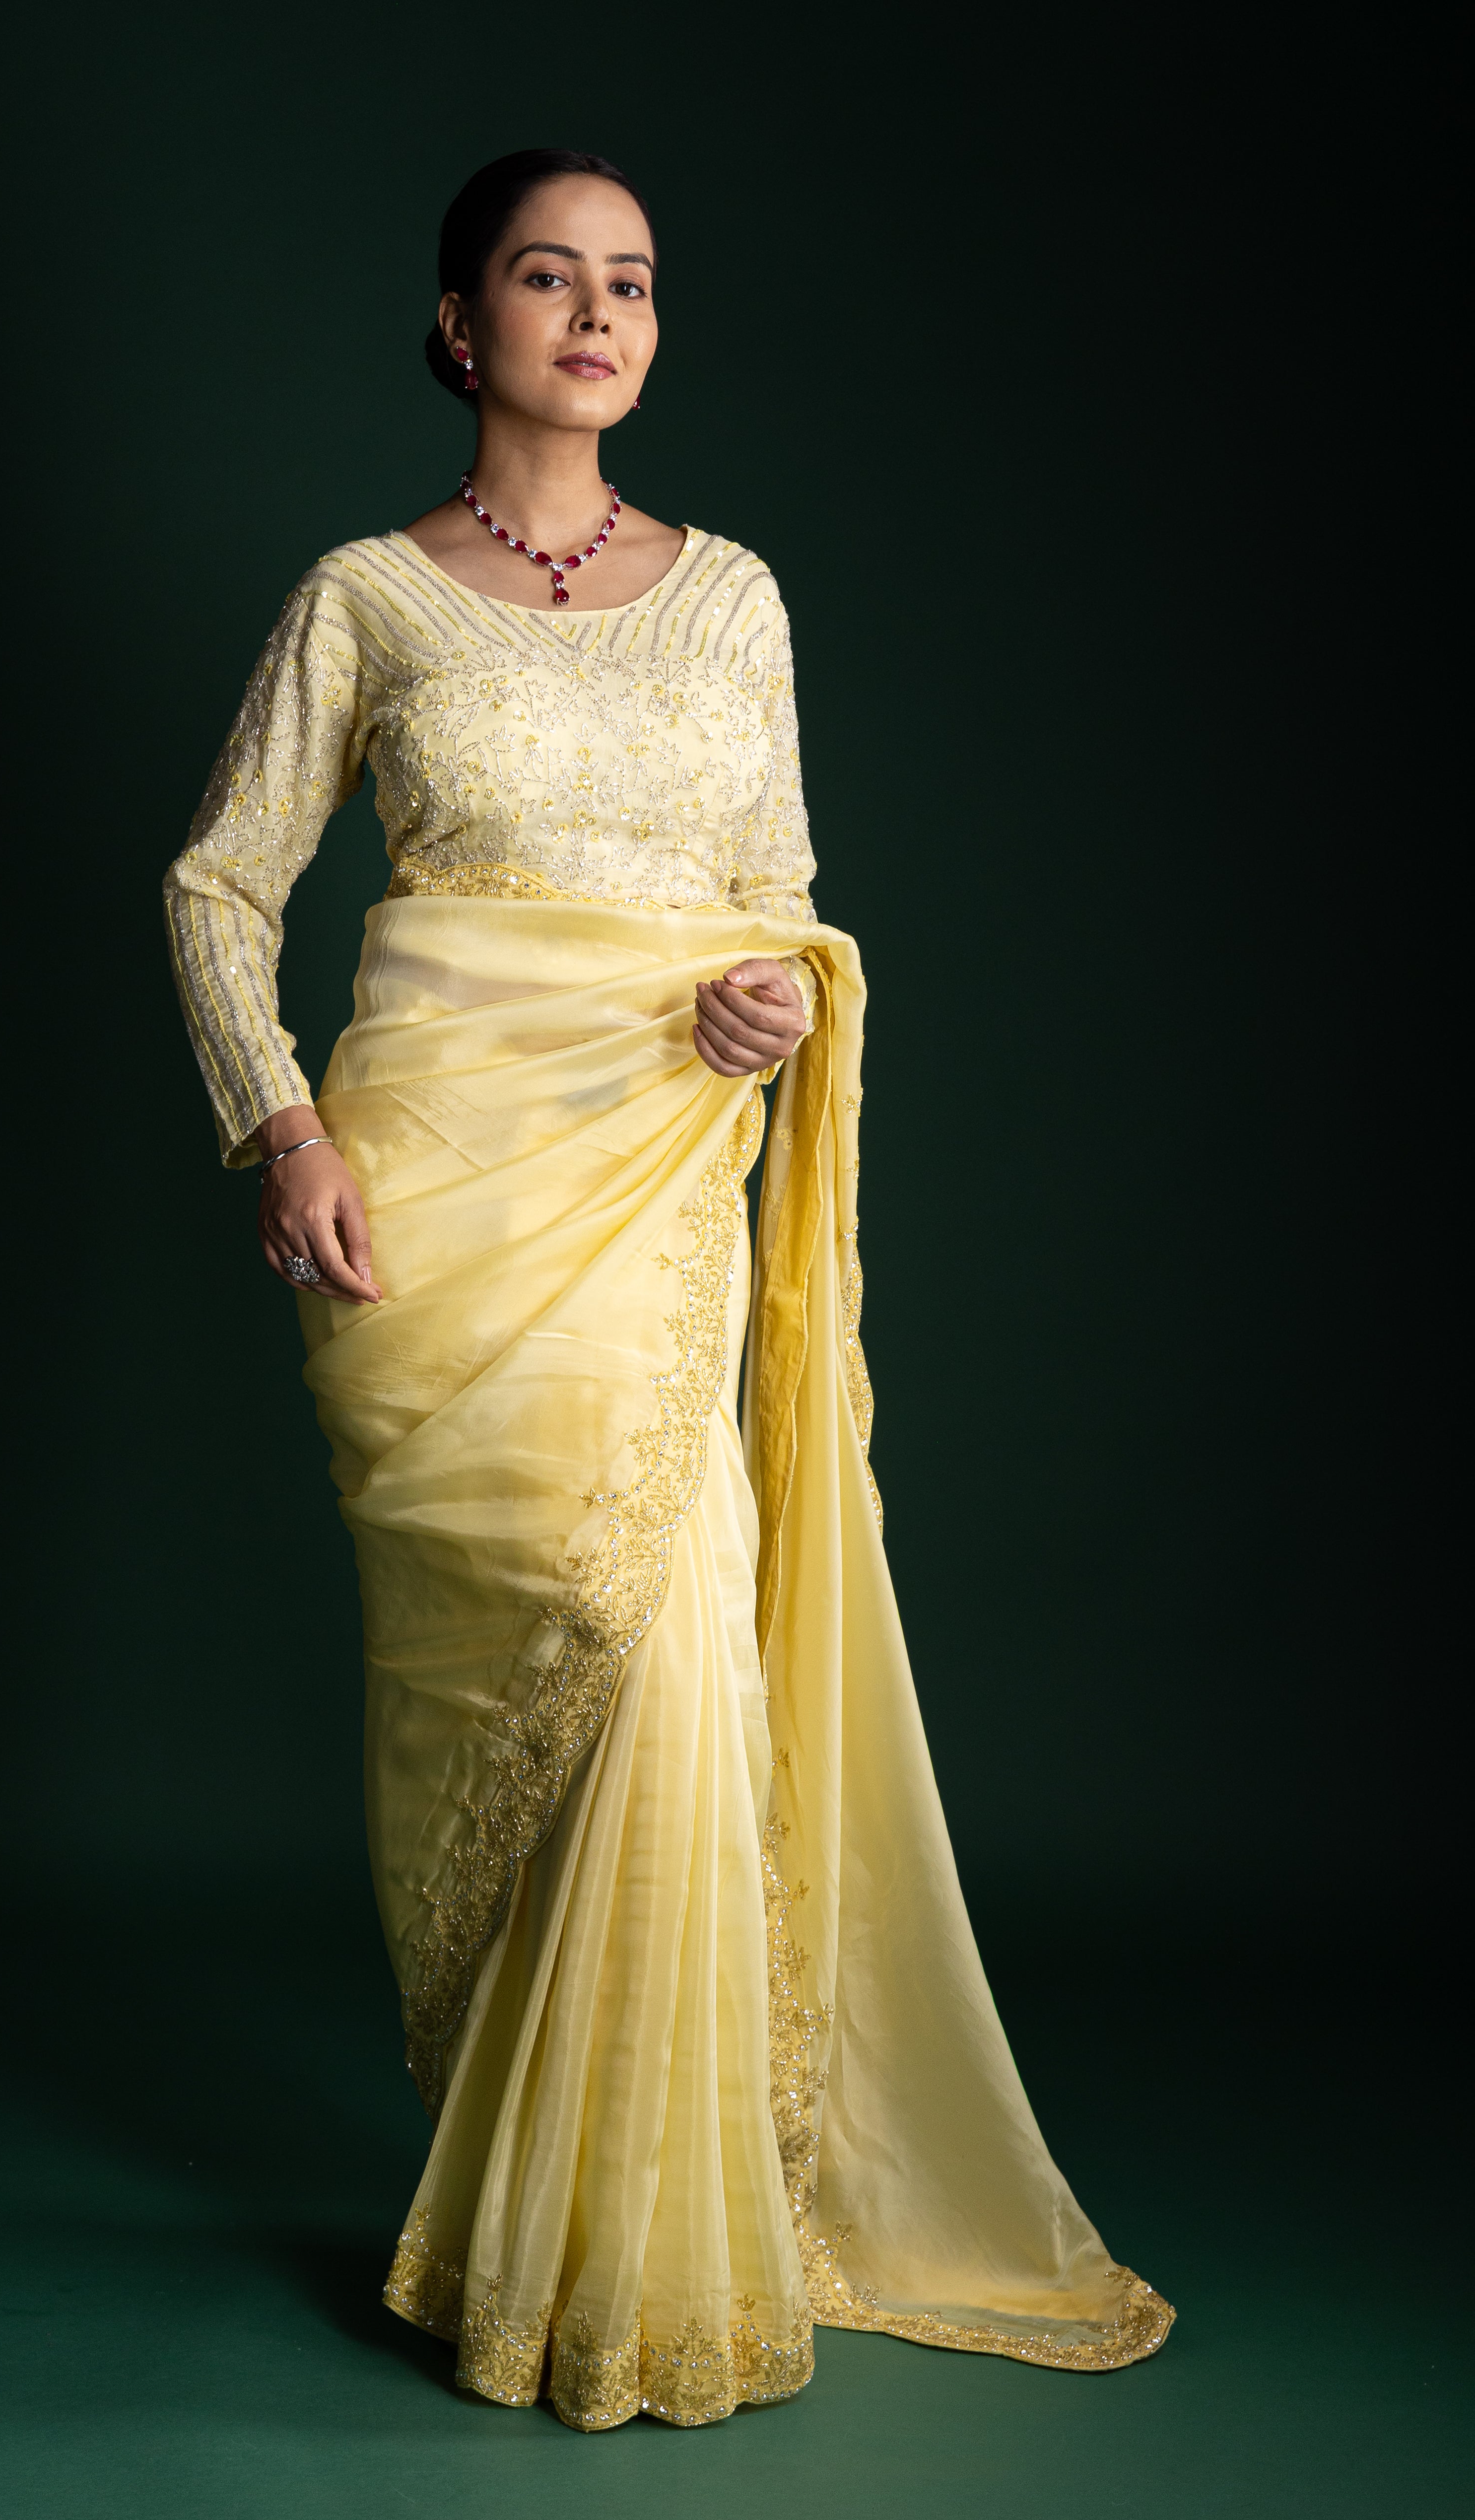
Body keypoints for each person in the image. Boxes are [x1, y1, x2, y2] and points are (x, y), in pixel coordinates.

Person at [164, 147, 1174, 2433]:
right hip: (434, 1200)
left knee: (677, 1645)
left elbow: (781, 897)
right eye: (548, 276)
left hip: (656, 1187)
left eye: (630, 280)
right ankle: (527, 2205)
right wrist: (281, 1127)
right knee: (513, 1660)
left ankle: (630, 2252)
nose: (597, 313)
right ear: (463, 324)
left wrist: (770, 1006)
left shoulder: (734, 599)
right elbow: (222, 885)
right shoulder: (365, 599)